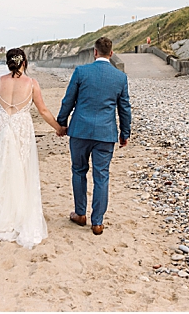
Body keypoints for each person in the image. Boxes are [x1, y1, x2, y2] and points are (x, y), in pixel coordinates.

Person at [0, 48, 64, 249]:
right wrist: (59, 128)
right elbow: (43, 110)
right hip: (20, 126)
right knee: (20, 169)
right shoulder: (32, 84)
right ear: (24, 62)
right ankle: (15, 213)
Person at [56, 37, 132, 236]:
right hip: (106, 134)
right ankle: (97, 222)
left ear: (95, 52)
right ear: (111, 53)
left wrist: (61, 123)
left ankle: (80, 214)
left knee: (79, 170)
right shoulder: (120, 77)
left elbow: (68, 100)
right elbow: (124, 108)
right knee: (102, 176)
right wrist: (125, 133)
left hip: (80, 131)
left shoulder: (81, 72)